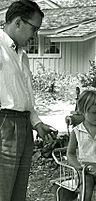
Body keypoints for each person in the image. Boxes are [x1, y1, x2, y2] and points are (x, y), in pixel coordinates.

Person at [0, 1, 58, 201]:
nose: (35, 35)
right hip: (5, 124)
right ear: (18, 22)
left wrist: (37, 123)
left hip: (23, 125)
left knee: (18, 191)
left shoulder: (21, 55)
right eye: (34, 28)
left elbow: (24, 96)